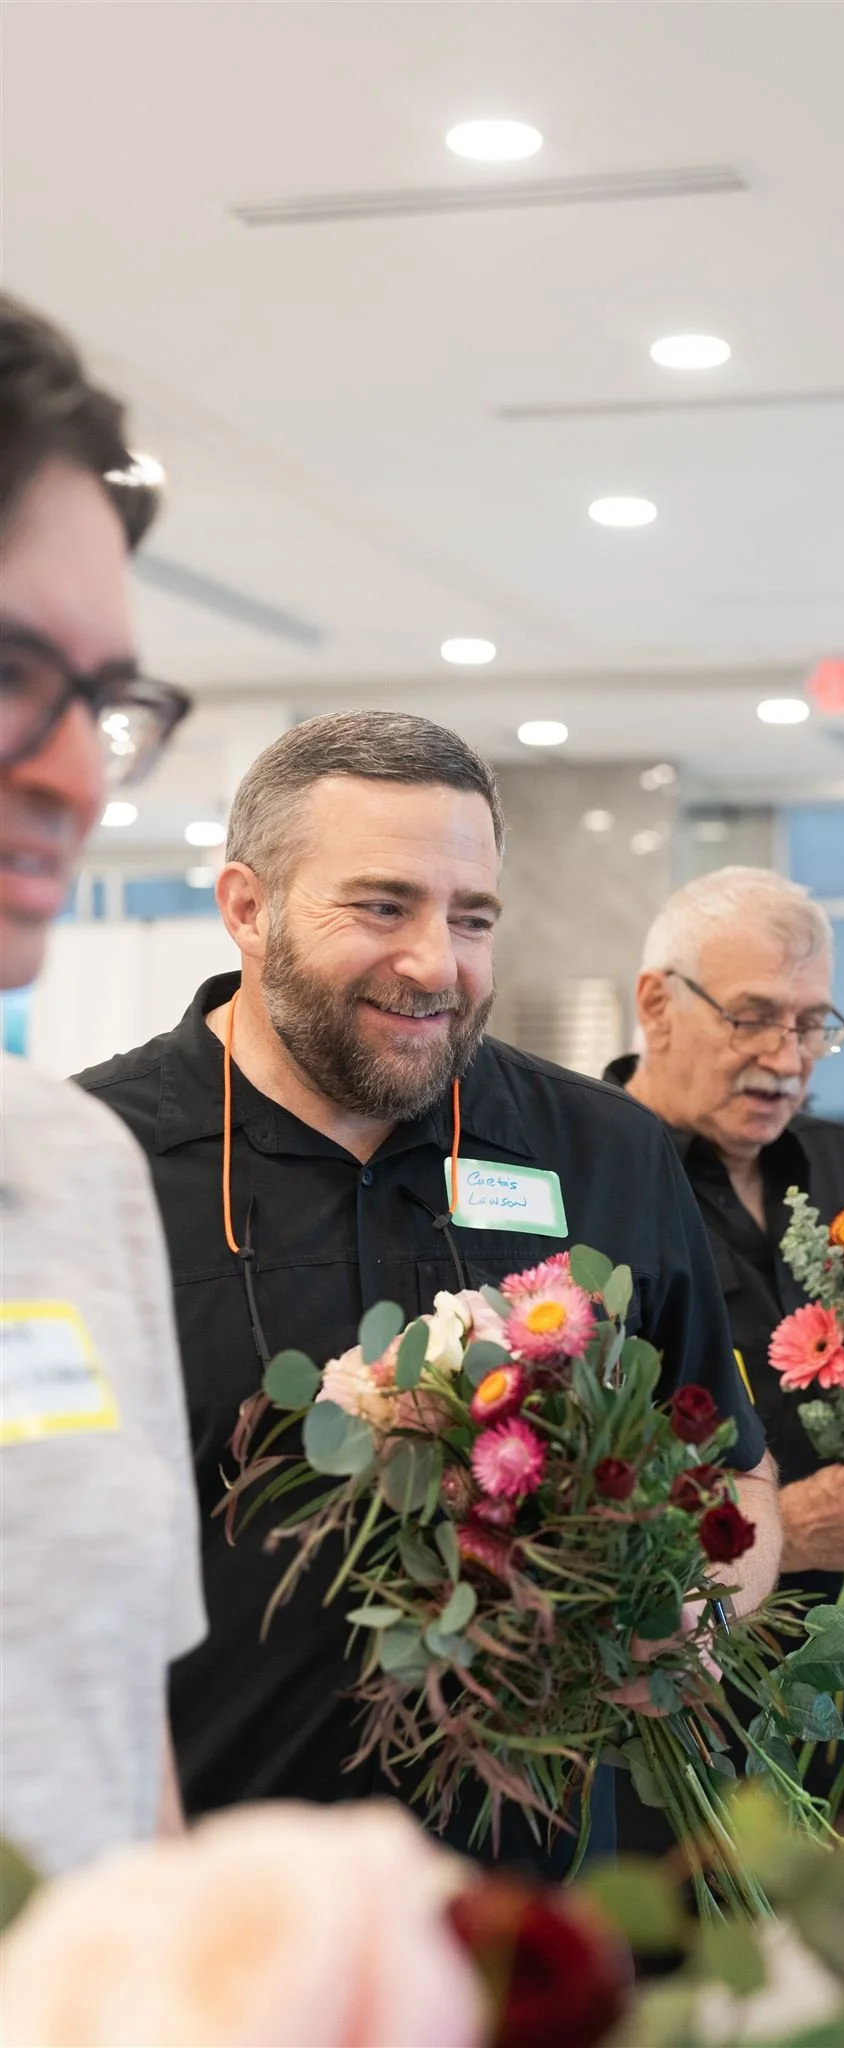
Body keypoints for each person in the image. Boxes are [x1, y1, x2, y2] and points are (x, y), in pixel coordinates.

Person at [75, 712, 780, 1863]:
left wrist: (683, 1623)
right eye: (382, 905)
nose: (435, 963)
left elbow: (735, 1473)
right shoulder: (82, 1165)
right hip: (203, 1900)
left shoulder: (604, 1151)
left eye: (472, 917)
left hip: (530, 1905)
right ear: (247, 906)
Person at [607, 867, 844, 1833]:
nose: (786, 1058)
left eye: (810, 1024)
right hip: (694, 1717)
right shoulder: (581, 1179)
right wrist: (776, 1532)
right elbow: (561, 1490)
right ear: (656, 1005)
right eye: (752, 1018)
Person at [0, 295, 199, 1874]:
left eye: (104, 703)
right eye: (11, 671)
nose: (75, 774)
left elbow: (125, 1737)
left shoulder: (73, 1166)